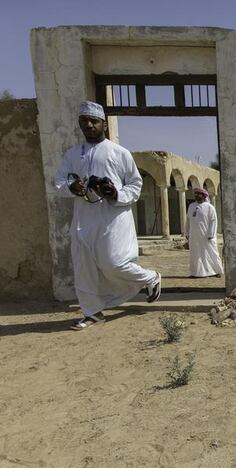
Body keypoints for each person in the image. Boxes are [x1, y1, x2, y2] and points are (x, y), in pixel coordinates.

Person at [54, 101, 161, 330]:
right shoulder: (72, 154)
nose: (90, 125)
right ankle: (92, 313)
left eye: (94, 121)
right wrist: (71, 188)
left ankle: (150, 278)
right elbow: (59, 182)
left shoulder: (119, 153)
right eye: (85, 121)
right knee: (84, 268)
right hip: (83, 219)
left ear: (104, 124)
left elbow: (135, 184)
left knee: (114, 263)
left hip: (113, 219)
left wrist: (116, 193)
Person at [185, 187, 224, 278]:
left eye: (198, 194)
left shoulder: (210, 207)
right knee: (196, 254)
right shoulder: (191, 206)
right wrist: (187, 233)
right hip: (194, 236)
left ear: (203, 195)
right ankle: (196, 273)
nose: (196, 195)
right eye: (195, 194)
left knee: (211, 252)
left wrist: (211, 234)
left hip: (206, 236)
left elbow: (213, 221)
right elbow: (188, 220)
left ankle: (216, 271)